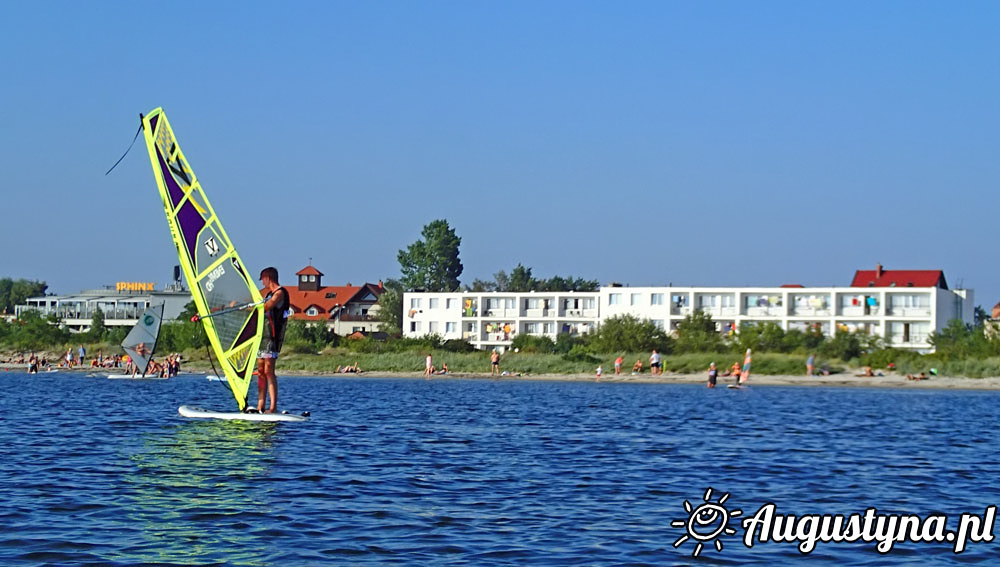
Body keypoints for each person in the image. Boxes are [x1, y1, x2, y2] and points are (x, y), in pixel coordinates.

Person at [255, 267, 289, 414]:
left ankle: (273, 407)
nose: (262, 282)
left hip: (272, 337)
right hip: (262, 336)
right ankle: (260, 404)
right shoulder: (267, 294)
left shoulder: (279, 293)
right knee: (260, 371)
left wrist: (251, 307)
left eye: (263, 279)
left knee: (269, 371)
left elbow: (267, 306)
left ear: (268, 278)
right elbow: (258, 302)